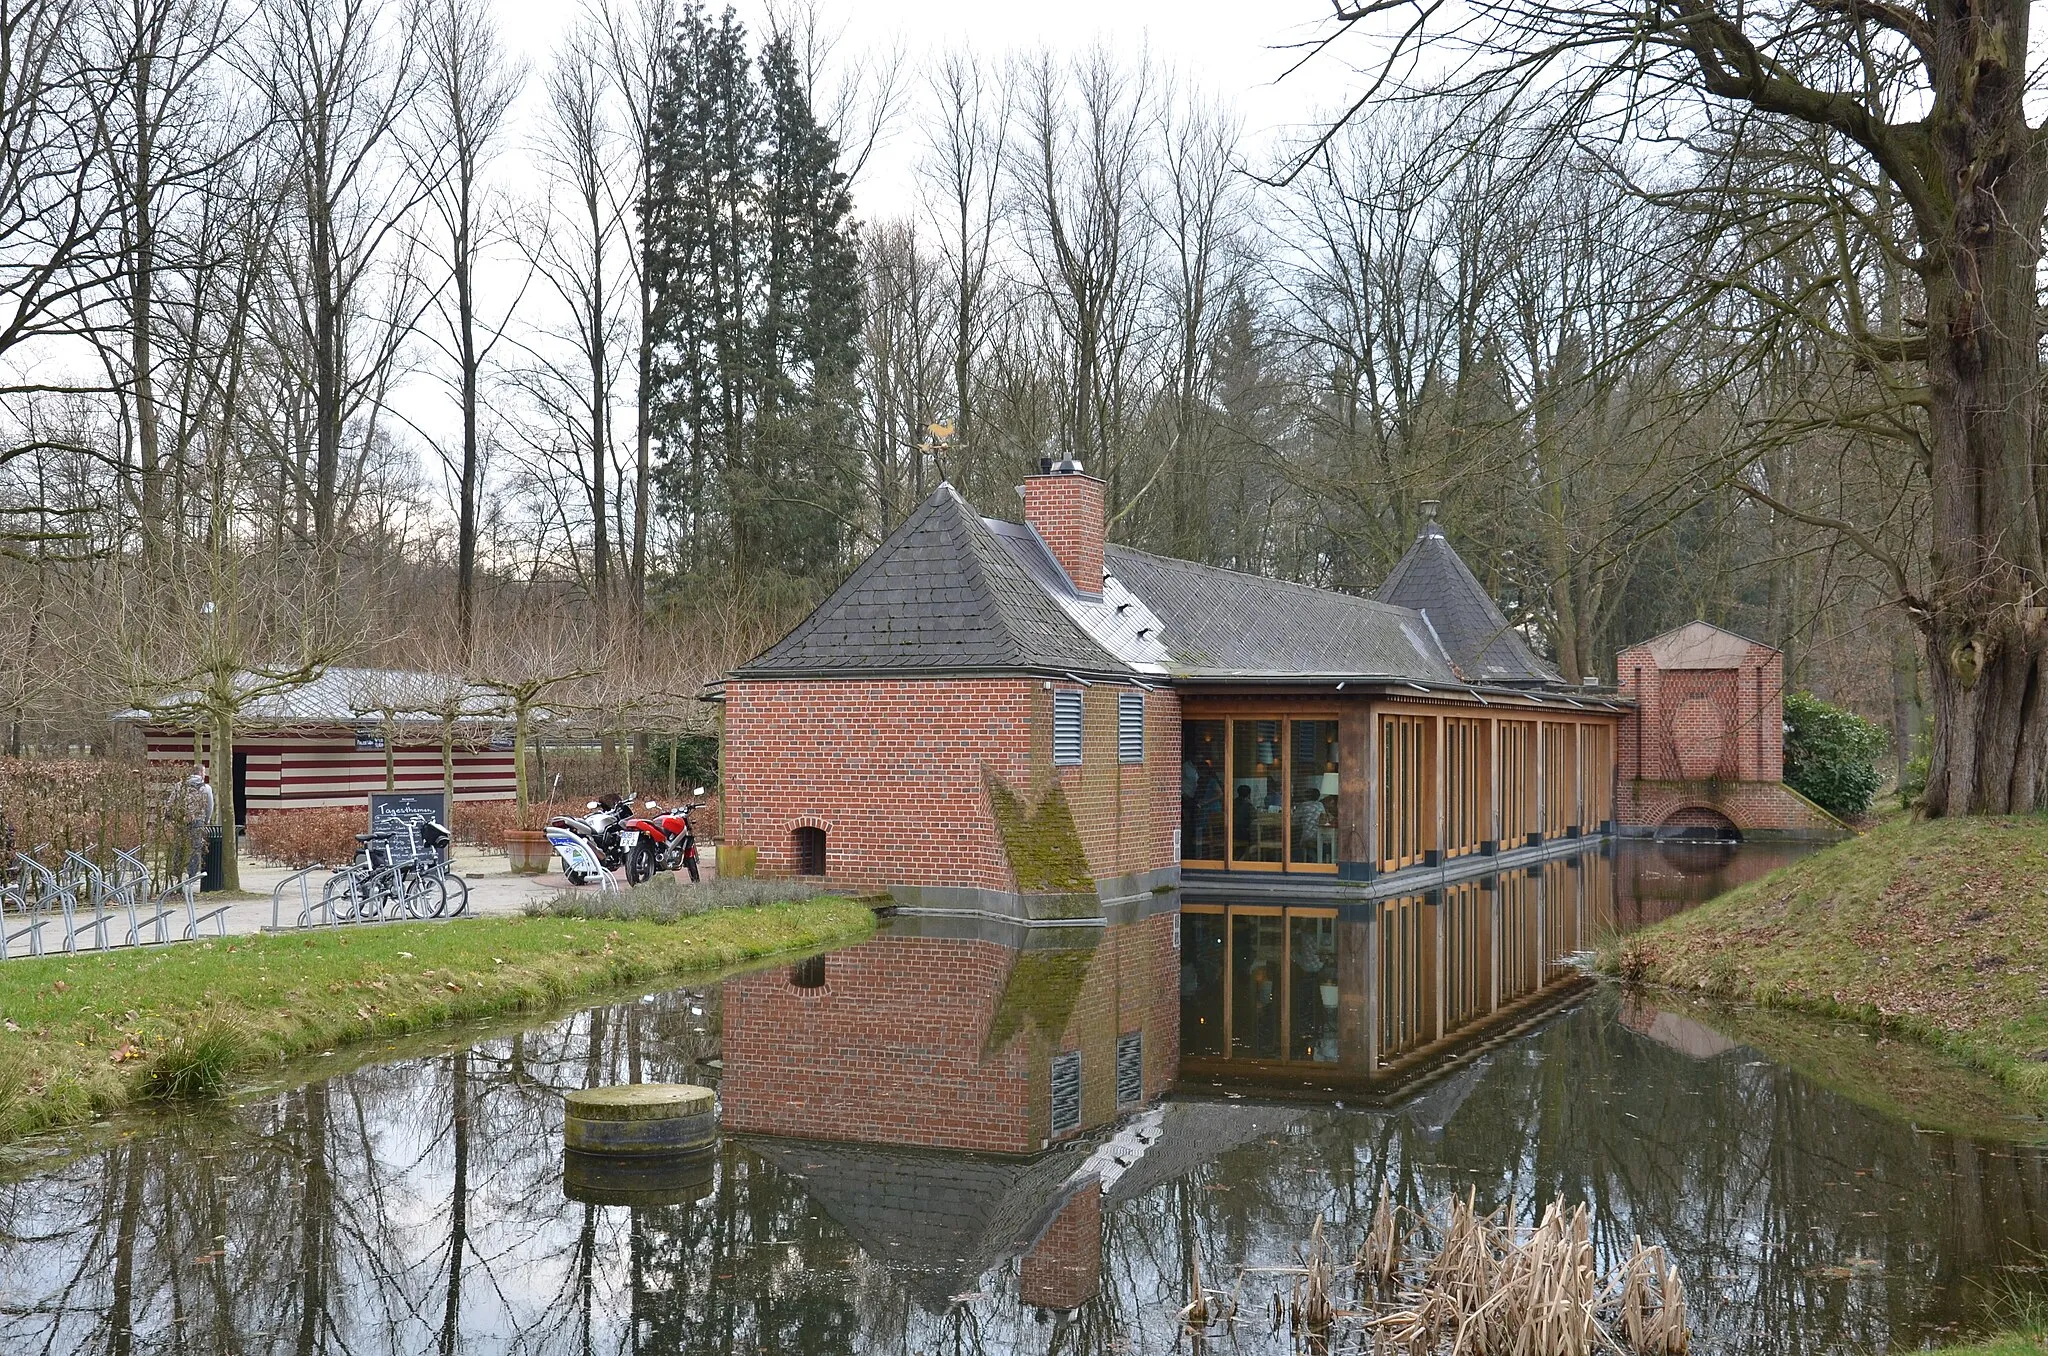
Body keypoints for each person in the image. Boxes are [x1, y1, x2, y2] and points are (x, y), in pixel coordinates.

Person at [180, 763, 214, 880]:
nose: (205, 774)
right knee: (196, 847)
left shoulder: (180, 786)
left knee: (180, 846)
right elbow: (210, 806)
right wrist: (206, 820)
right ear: (200, 773)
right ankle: (192, 875)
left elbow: (171, 801)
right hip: (198, 821)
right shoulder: (206, 788)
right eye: (204, 772)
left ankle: (177, 873)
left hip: (182, 820)